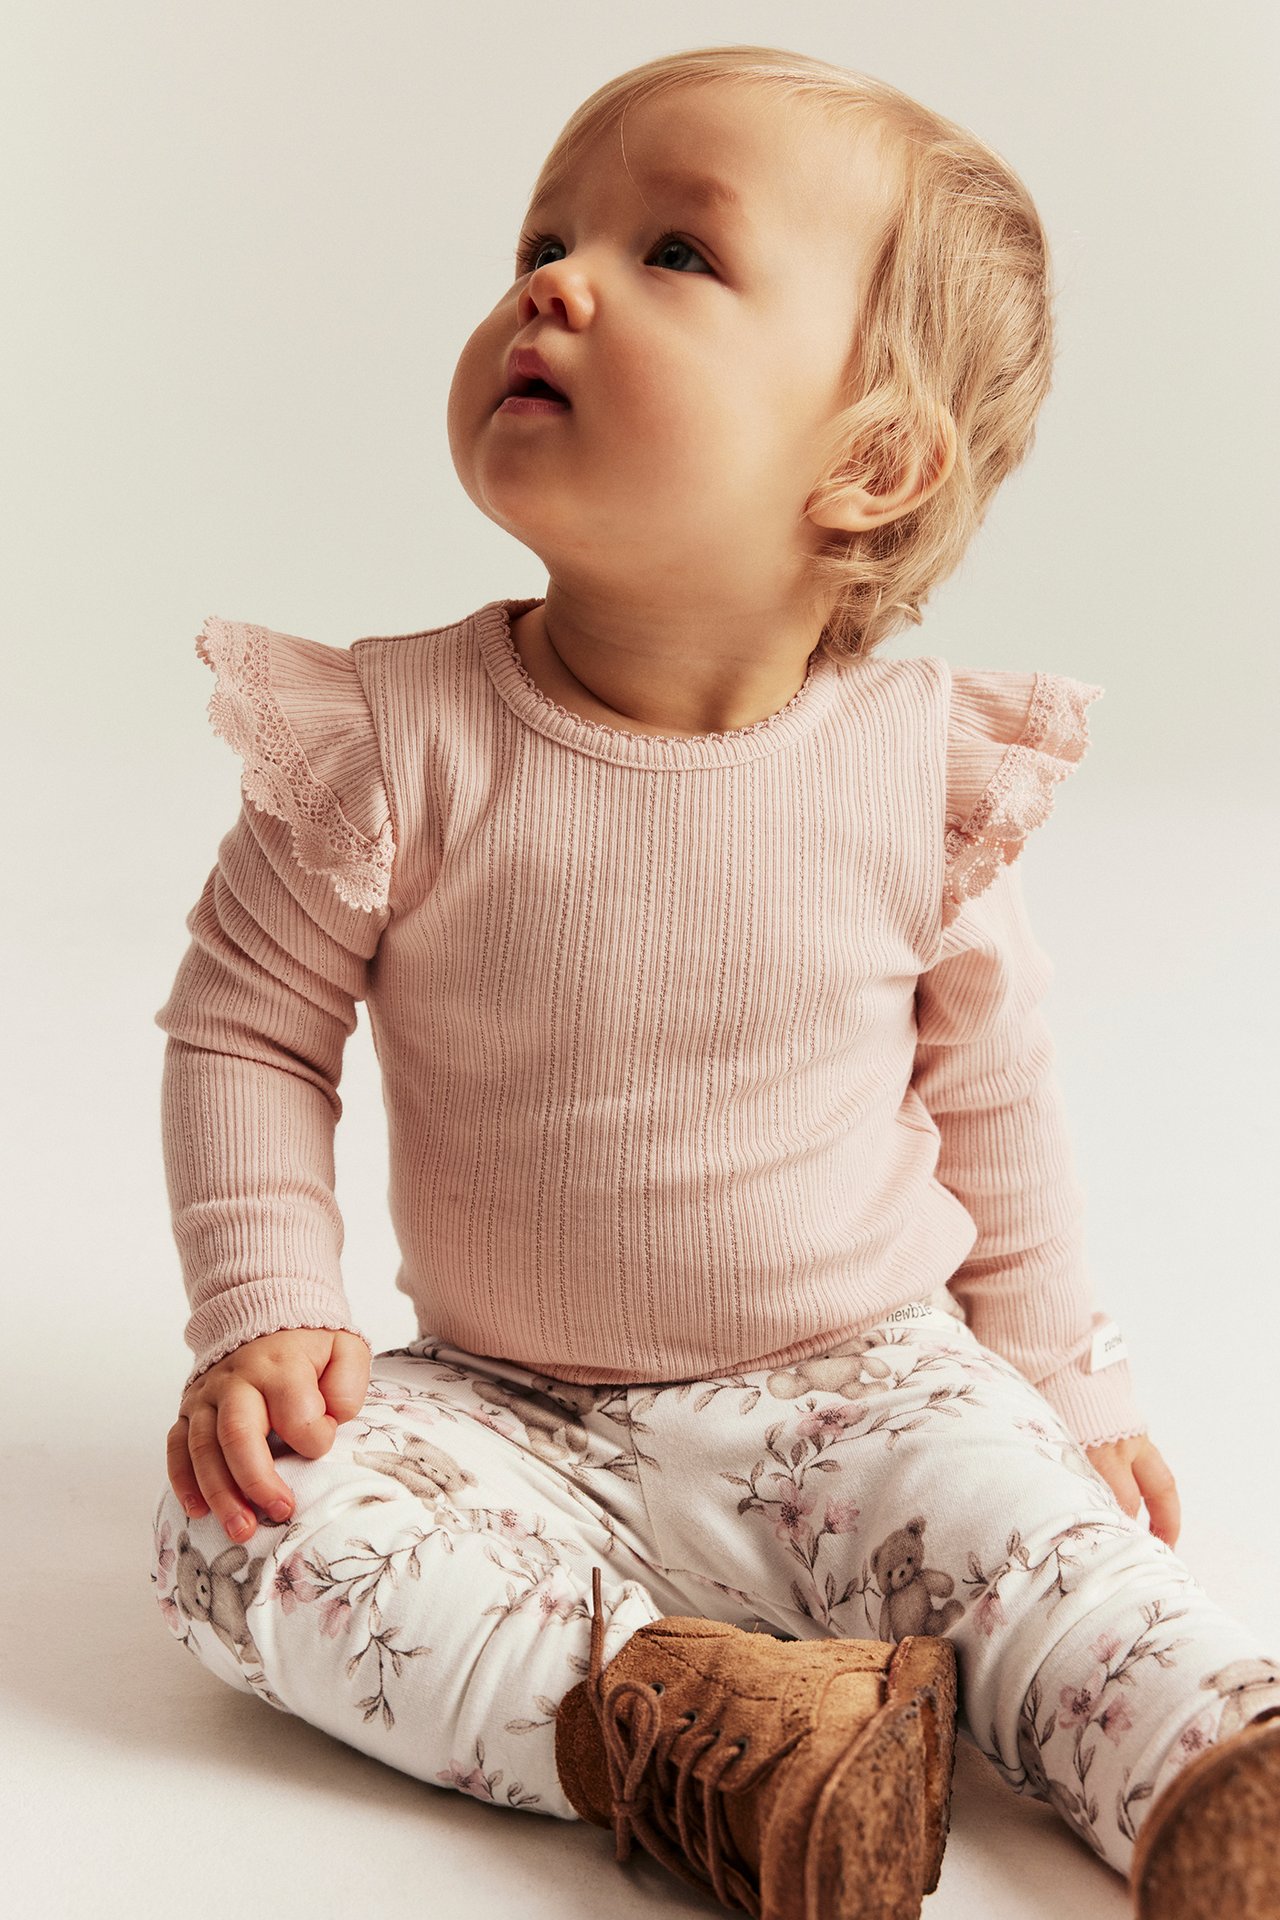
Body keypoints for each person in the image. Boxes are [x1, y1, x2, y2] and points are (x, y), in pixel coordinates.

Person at [147, 41, 1279, 1919]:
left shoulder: (918, 777)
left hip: (873, 1388)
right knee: (247, 1544)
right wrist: (266, 1307)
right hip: (502, 1401)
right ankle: (708, 1738)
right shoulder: (389, 739)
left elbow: (995, 1092)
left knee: (1038, 1548)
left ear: (875, 462)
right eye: (544, 233)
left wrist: (1066, 1383)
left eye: (674, 252)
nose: (553, 279)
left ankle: (1210, 1765)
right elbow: (245, 1029)